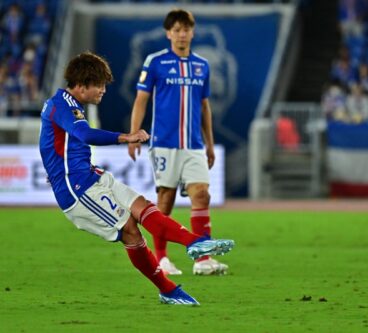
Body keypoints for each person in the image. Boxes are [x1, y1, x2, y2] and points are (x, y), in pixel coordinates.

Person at [39, 51, 234, 305]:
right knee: (131, 231)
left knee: (142, 205)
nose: (103, 90)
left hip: (90, 177)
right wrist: (126, 137)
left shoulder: (66, 105)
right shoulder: (62, 104)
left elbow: (50, 143)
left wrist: (53, 168)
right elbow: (84, 135)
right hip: (78, 190)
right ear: (82, 84)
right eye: (99, 85)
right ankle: (168, 290)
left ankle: (194, 242)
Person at [128, 9, 227, 276]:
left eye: (186, 29)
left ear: (192, 32)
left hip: (193, 144)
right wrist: (134, 132)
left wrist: (209, 142)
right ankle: (161, 259)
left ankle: (202, 258)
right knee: (166, 200)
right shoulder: (156, 62)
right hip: (165, 144)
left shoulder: (202, 65)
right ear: (168, 33)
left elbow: (204, 106)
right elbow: (141, 100)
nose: (182, 34)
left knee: (202, 194)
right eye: (177, 30)